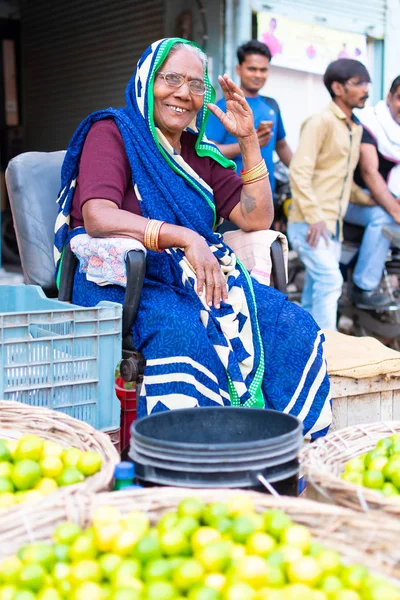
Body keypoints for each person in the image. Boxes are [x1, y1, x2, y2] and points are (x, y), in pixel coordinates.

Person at [54, 37, 331, 439]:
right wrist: (185, 237)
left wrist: (249, 142)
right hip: (125, 281)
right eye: (171, 79)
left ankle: (283, 450)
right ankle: (191, 462)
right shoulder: (113, 131)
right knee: (183, 336)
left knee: (293, 324)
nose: (184, 93)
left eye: (197, 85)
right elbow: (98, 216)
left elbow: (257, 217)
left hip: (203, 279)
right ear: (147, 81)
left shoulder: (198, 152)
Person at [288, 59, 371, 330]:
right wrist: (314, 217)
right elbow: (299, 171)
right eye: (358, 83)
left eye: (366, 83)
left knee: (315, 295)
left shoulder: (354, 128)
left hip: (333, 226)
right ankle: (329, 350)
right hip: (311, 223)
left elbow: (343, 179)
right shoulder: (320, 121)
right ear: (337, 87)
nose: (365, 89)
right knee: (330, 281)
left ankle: (304, 348)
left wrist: (374, 200)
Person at [206, 40, 292, 195]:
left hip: (266, 196)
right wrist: (249, 143)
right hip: (231, 197)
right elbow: (209, 151)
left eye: (263, 70)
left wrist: (303, 174)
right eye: (252, 69)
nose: (258, 75)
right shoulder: (225, 105)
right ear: (239, 69)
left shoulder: (272, 105)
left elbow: (282, 146)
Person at [344, 76, 400, 306]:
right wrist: (396, 210)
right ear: (389, 97)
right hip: (353, 199)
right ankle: (363, 287)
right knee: (386, 219)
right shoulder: (369, 123)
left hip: (383, 198)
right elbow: (370, 173)